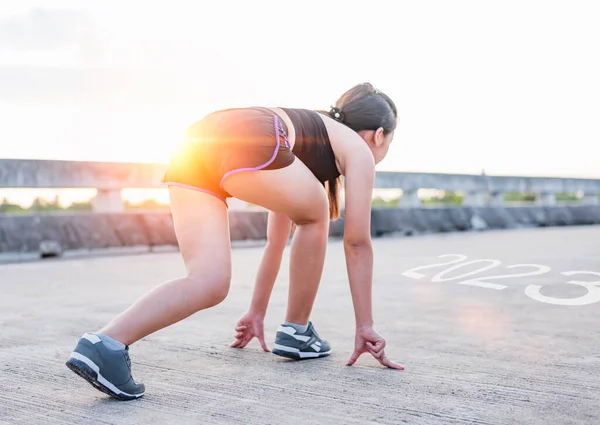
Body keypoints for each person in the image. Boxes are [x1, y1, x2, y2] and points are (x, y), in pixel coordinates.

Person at [65, 82, 404, 401]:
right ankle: (298, 331)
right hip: (252, 136)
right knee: (316, 214)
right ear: (378, 136)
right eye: (390, 142)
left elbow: (276, 241)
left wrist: (255, 313)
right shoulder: (357, 150)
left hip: (197, 143)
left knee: (209, 282)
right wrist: (365, 326)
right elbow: (356, 243)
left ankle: (105, 343)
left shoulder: (306, 150)